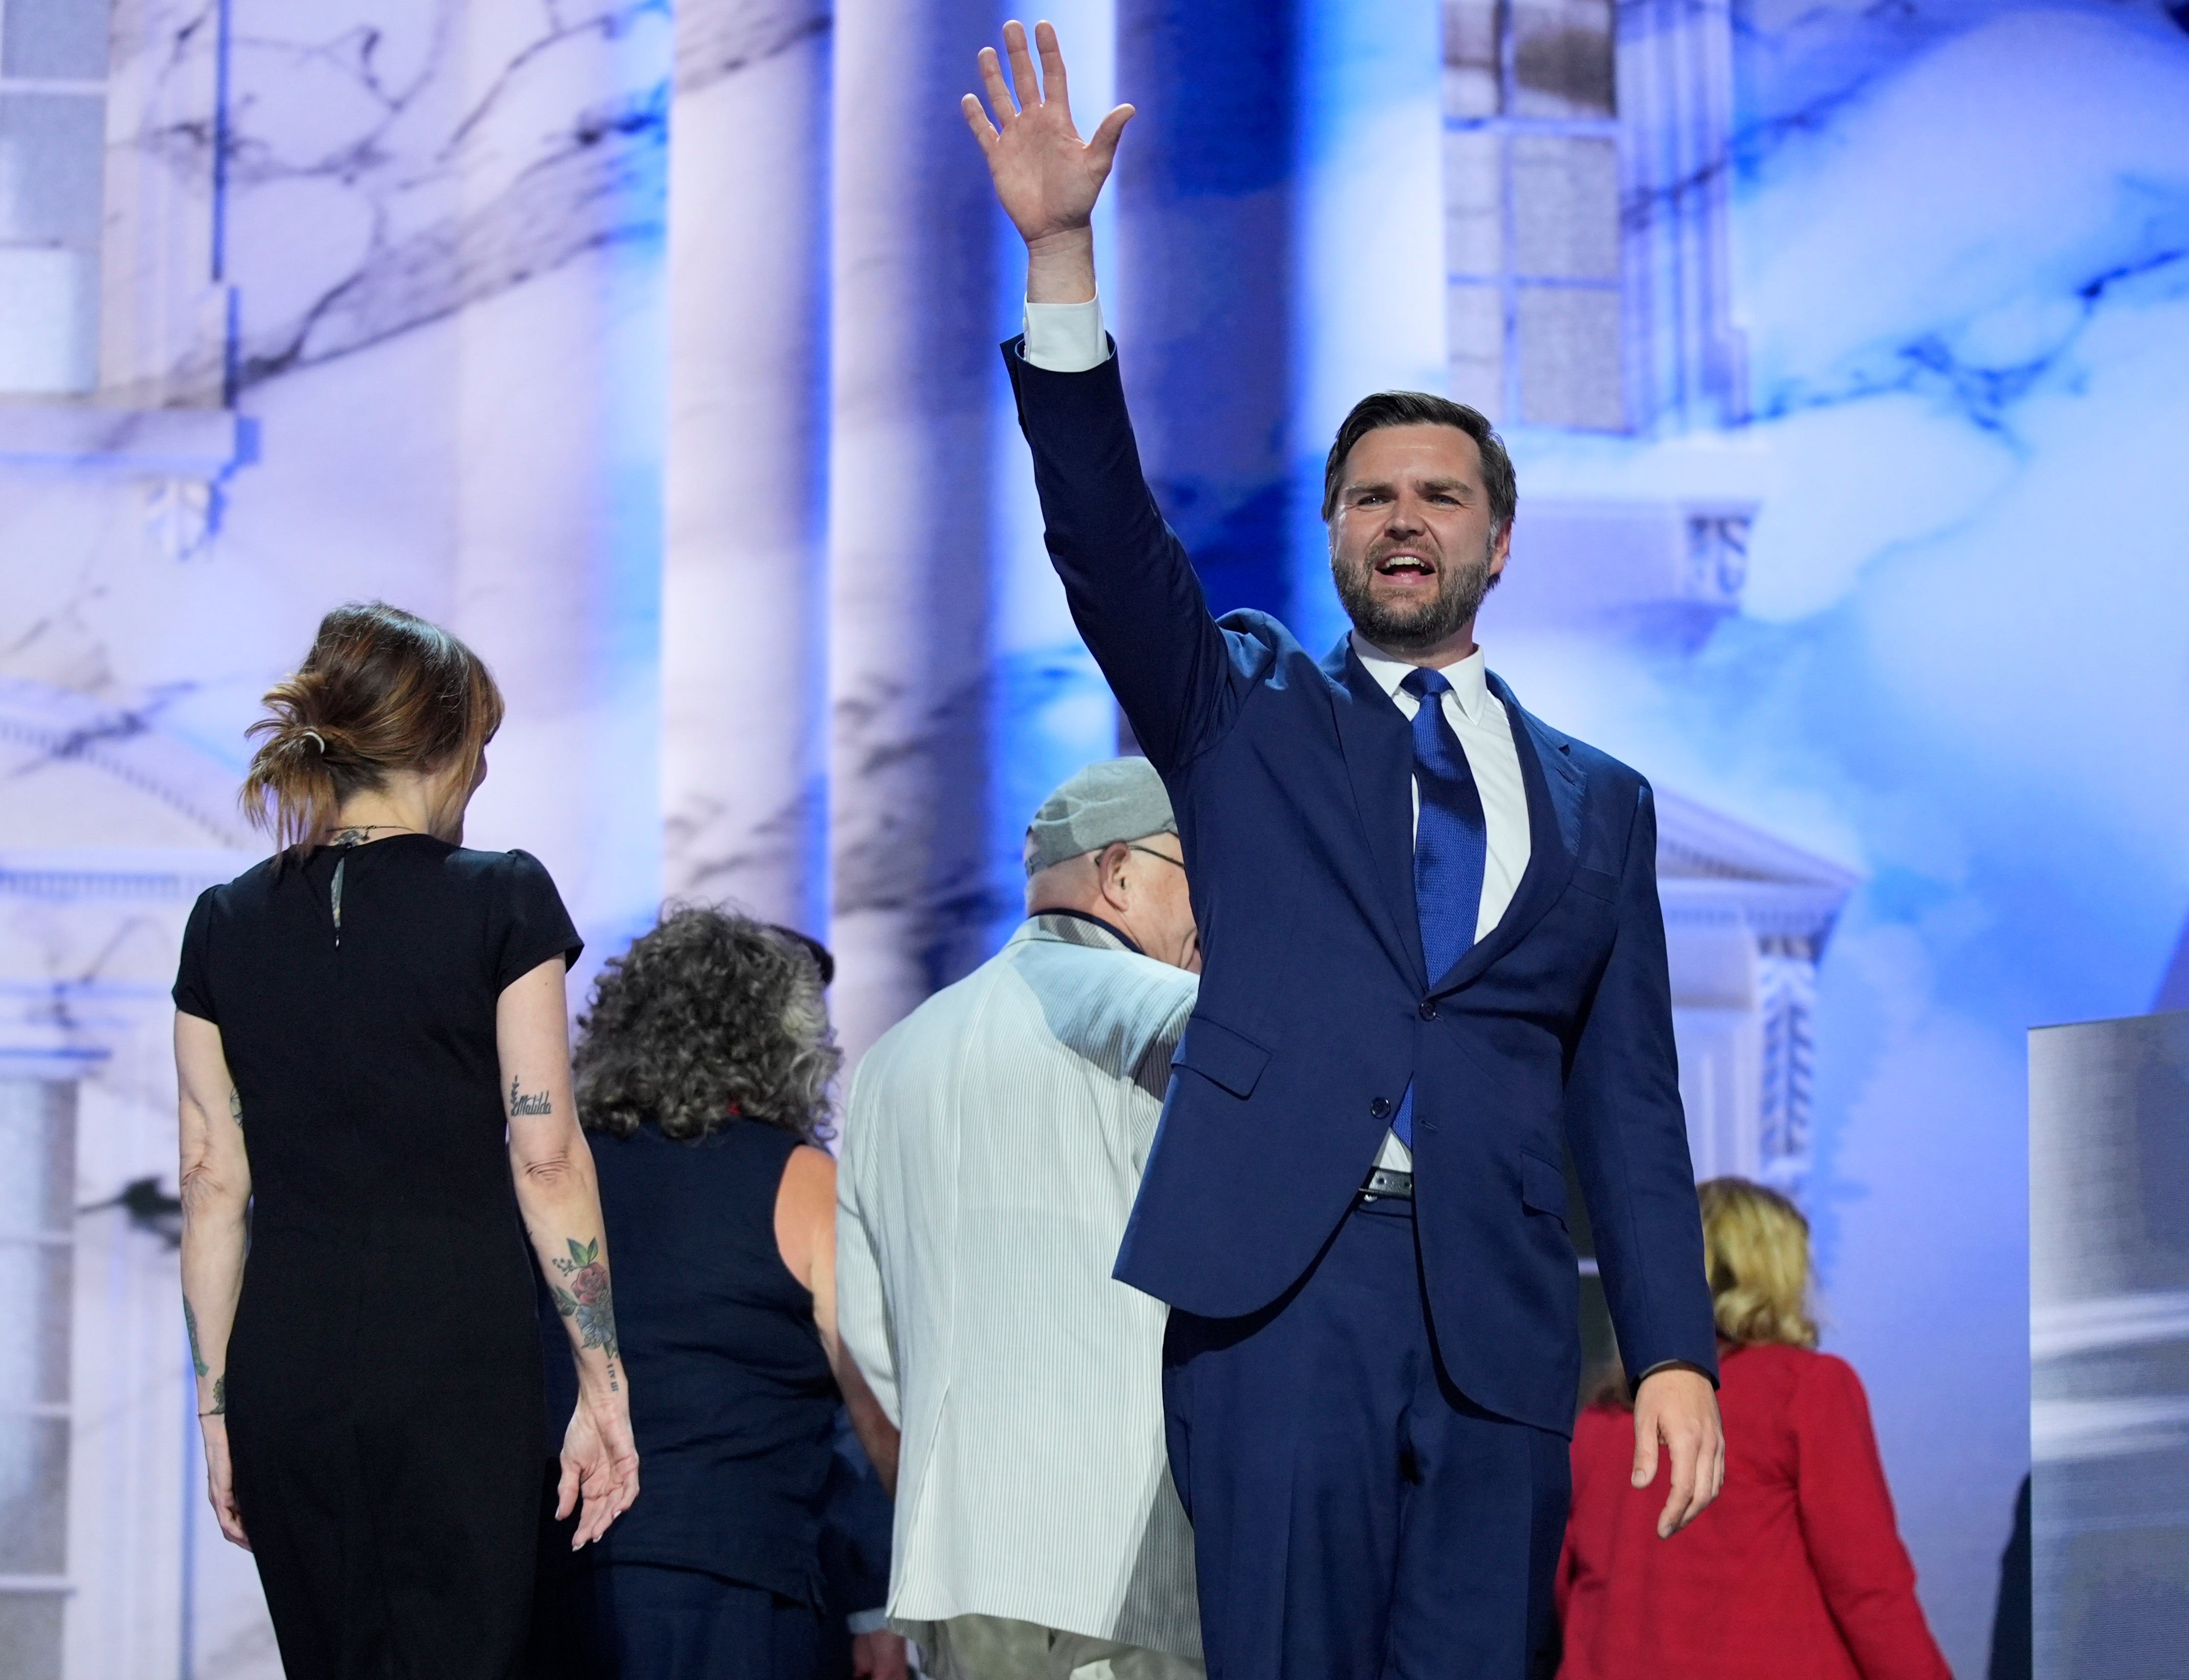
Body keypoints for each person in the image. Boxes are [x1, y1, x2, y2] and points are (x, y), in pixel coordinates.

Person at [958, 25, 1724, 1679]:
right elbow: (1103, 540)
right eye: (1372, 493)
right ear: (1331, 531)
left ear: (1497, 538)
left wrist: (1676, 1349)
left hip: (1502, 1314)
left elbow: (1632, 1101)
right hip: (1283, 1283)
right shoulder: (1248, 710)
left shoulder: (1603, 802)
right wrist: (1061, 256)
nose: (1404, 518)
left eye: (1440, 494)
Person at [174, 601, 640, 1679]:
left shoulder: (222, 921)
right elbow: (548, 1153)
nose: (481, 771)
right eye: (480, 742)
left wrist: (217, 1411)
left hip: (284, 1368)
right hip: (453, 1364)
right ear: (438, 742)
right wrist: (603, 1381)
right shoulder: (502, 897)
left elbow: (210, 1182)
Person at [838, 758, 1206, 1680]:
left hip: (956, 1554)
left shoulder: (890, 1059)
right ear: (1119, 873)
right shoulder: (1170, 1014)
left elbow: (869, 1337)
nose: (1218, 912)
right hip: (1127, 1558)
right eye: (1202, 872)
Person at [548, 907, 905, 1680]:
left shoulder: (553, 1182)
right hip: (738, 1593)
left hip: (562, 1586)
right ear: (788, 1041)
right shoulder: (804, 1184)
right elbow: (879, 1411)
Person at [1555, 1179, 1949, 1679]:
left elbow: (1565, 1589)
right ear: (1777, 1270)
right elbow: (1868, 1588)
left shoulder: (1605, 1413)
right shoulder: (1806, 1389)